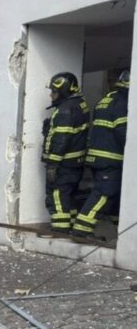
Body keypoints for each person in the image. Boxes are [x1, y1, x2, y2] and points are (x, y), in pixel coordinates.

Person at [72, 70, 129, 239]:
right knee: (104, 193)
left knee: (115, 196)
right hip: (111, 158)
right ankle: (81, 230)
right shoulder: (124, 101)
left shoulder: (107, 98)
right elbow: (123, 132)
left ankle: (123, 233)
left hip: (99, 157)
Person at [42, 72, 89, 233]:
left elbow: (61, 139)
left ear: (63, 92)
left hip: (64, 164)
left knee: (57, 195)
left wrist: (52, 165)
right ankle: (71, 226)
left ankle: (60, 230)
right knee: (70, 196)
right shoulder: (79, 104)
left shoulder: (65, 110)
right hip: (75, 163)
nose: (51, 95)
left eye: (54, 92)